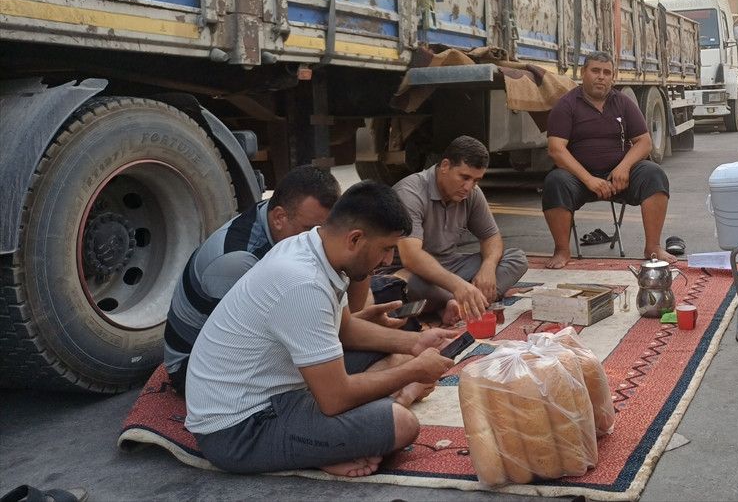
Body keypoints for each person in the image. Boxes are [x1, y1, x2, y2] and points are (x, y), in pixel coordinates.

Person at [185, 181, 458, 478]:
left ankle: (329, 441)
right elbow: (335, 399)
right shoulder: (303, 283)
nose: (388, 261)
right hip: (240, 430)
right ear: (354, 239)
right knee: (402, 424)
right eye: (386, 249)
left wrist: (415, 344)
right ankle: (326, 444)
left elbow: (345, 331)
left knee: (397, 358)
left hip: (278, 390)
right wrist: (415, 372)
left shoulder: (313, 246)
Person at [164, 165, 340, 394]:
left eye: (326, 229)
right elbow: (239, 342)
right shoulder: (237, 261)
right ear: (279, 217)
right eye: (310, 229)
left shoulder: (274, 219)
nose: (320, 240)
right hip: (192, 369)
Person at [542, 51, 672, 269]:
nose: (601, 77)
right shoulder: (566, 105)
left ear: (613, 76)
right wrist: (589, 180)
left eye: (606, 72)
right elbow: (556, 150)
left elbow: (644, 142)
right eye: (595, 71)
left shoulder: (623, 103)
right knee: (554, 182)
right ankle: (562, 250)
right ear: (583, 73)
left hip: (618, 179)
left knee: (654, 174)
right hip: (579, 181)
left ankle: (653, 247)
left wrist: (624, 167)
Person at [394, 135, 529, 324]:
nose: (468, 187)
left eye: (475, 180)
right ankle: (460, 299)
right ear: (445, 166)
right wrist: (458, 286)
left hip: (450, 265)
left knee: (516, 258)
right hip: (415, 271)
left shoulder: (472, 192)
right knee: (403, 285)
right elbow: (411, 257)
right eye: (464, 177)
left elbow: (491, 237)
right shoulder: (410, 193)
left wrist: (488, 268)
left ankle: (455, 301)